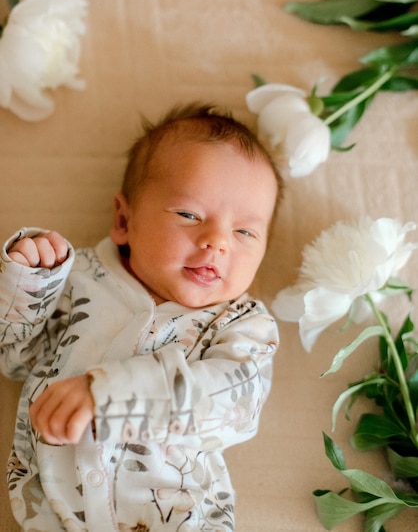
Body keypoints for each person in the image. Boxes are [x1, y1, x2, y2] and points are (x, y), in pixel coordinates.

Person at [0, 103, 282, 532]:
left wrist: (117, 394)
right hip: (53, 516)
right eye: (189, 215)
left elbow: (236, 405)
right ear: (123, 219)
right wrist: (29, 284)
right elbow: (14, 358)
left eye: (245, 232)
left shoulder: (241, 323)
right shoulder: (78, 281)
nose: (217, 242)